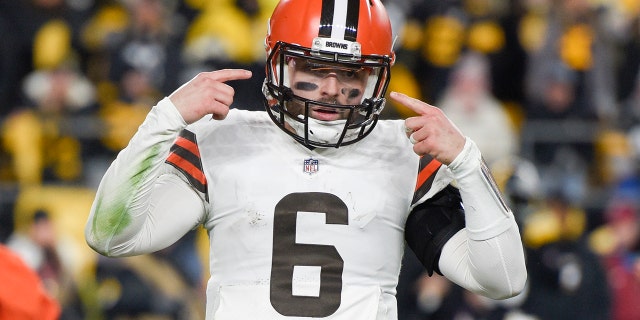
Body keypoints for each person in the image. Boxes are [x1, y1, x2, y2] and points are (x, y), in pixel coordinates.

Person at [85, 0, 527, 319]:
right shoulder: (221, 139)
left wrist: (468, 163)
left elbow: (502, 280)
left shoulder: (403, 152)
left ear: (377, 76)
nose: (332, 89)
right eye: (314, 70)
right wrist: (164, 120)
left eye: (351, 74)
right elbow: (111, 235)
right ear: (280, 66)